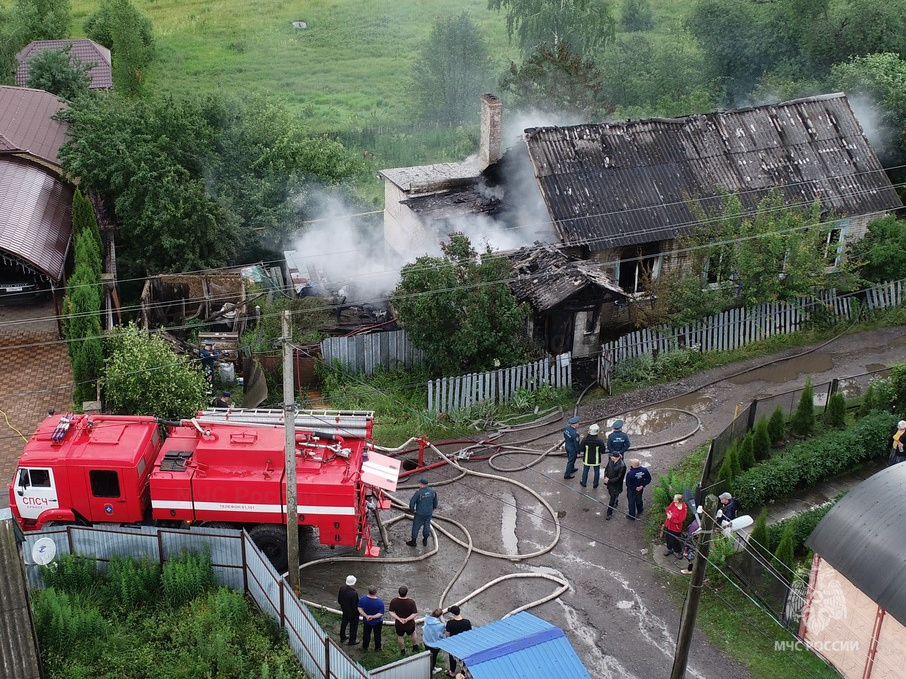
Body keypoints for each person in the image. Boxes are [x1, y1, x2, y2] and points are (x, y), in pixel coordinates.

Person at [388, 585, 420, 655]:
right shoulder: (411, 602)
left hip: (399, 624)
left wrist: (399, 618)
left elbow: (391, 612)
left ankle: (402, 651)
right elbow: (415, 613)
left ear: (398, 592)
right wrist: (407, 619)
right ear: (407, 593)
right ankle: (415, 647)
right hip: (410, 624)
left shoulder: (394, 601)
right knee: (413, 633)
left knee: (400, 636)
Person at [407, 477, 438, 546]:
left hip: (420, 513)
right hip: (429, 512)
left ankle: (413, 541)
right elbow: (435, 502)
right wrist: (432, 508)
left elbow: (412, 503)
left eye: (419, 483)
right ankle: (425, 540)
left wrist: (412, 510)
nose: (418, 484)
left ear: (422, 484)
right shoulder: (433, 491)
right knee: (427, 525)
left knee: (416, 526)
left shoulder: (419, 493)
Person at [444, 605, 472, 677]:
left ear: (452, 614)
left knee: (452, 658)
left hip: (454, 644)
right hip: (464, 644)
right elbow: (470, 634)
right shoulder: (467, 622)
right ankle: (463, 673)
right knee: (464, 659)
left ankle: (452, 672)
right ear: (459, 612)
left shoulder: (450, 623)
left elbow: (447, 634)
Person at [357, 586, 385, 651]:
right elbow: (381, 613)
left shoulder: (363, 599)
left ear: (368, 591)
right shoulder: (380, 602)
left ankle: (365, 646)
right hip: (377, 621)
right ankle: (378, 648)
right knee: (377, 635)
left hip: (367, 621)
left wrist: (366, 616)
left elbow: (359, 608)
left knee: (366, 634)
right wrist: (372, 617)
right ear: (376, 592)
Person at [579, 424, 605, 488]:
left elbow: (581, 449)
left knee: (585, 471)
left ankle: (584, 482)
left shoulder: (585, 439)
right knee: (596, 471)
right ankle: (595, 484)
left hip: (587, 459)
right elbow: (603, 450)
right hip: (596, 459)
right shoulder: (599, 441)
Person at [603, 452, 627, 520]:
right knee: (611, 494)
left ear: (617, 457)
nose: (611, 458)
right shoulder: (611, 461)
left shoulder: (622, 466)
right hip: (609, 483)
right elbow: (606, 469)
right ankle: (616, 501)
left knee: (612, 499)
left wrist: (609, 480)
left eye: (612, 457)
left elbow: (619, 477)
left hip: (616, 485)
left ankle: (609, 513)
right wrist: (605, 477)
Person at [663, 494, 688, 559]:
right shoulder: (673, 503)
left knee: (675, 539)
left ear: (678, 501)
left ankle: (679, 551)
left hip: (675, 528)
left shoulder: (683, 510)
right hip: (669, 524)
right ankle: (669, 549)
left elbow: (680, 520)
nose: (673, 499)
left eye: (674, 498)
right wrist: (668, 514)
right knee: (668, 537)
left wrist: (671, 518)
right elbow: (668, 509)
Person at [422, 608, 446, 674]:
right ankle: (432, 670)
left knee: (428, 655)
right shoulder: (440, 625)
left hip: (426, 641)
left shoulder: (427, 619)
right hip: (434, 645)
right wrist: (443, 621)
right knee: (433, 658)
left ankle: (427, 666)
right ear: (440, 616)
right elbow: (444, 631)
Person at [338, 574, 359, 645]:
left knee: (344, 623)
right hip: (352, 613)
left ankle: (342, 636)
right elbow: (355, 606)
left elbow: (339, 600)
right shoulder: (354, 593)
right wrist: (357, 612)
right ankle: (352, 641)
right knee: (353, 627)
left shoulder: (342, 588)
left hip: (344, 610)